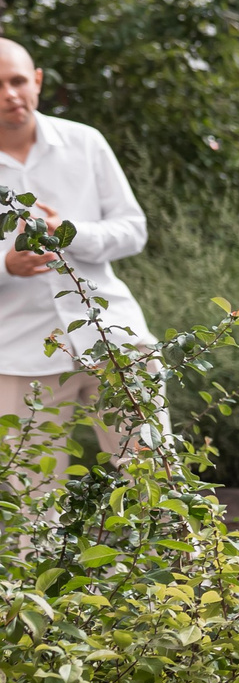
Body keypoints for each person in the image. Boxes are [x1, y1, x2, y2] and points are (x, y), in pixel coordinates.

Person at [0, 38, 154, 455]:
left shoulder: (86, 142)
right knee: (33, 504)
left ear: (37, 81)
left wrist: (68, 232)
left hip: (116, 339)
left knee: (155, 484)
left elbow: (134, 230)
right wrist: (7, 265)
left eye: (17, 81)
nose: (10, 94)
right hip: (18, 355)